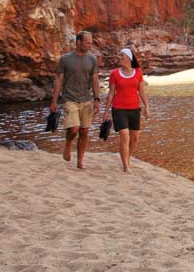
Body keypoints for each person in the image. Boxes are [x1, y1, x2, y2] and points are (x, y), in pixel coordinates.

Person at [50, 31, 100, 169]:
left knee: (84, 131)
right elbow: (59, 79)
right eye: (87, 42)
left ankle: (80, 161)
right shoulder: (65, 59)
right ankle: (68, 143)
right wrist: (54, 100)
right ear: (78, 42)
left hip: (86, 99)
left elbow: (95, 79)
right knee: (74, 128)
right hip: (69, 98)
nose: (90, 45)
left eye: (91, 42)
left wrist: (97, 99)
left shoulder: (92, 59)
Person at [102, 47, 149, 173]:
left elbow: (142, 92)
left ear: (129, 58)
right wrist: (106, 111)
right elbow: (111, 94)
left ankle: (127, 157)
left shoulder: (138, 72)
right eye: (120, 56)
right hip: (119, 109)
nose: (120, 58)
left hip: (134, 109)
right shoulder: (114, 74)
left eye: (122, 56)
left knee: (135, 138)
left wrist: (146, 107)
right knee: (125, 136)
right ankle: (126, 165)